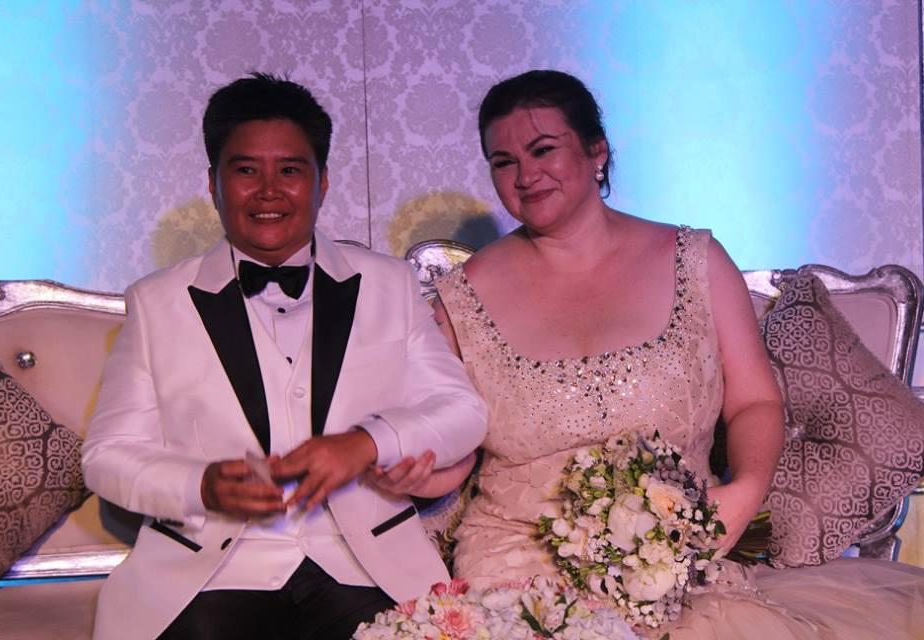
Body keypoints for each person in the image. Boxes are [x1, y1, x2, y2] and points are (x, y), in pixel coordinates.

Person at [368, 69, 924, 638]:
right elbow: (457, 444)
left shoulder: (696, 261)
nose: (525, 175)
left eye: (543, 150)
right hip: (517, 566)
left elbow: (755, 402)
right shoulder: (463, 296)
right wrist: (421, 475)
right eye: (503, 161)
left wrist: (745, 491)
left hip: (672, 564)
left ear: (596, 151)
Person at [81, 73, 487, 640]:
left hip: (364, 563)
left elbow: (464, 412)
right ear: (213, 183)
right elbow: (106, 456)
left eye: (290, 171)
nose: (268, 191)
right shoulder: (156, 302)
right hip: (211, 574)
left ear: (322, 183)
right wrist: (201, 485)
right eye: (246, 170)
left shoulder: (389, 285)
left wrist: (367, 442)